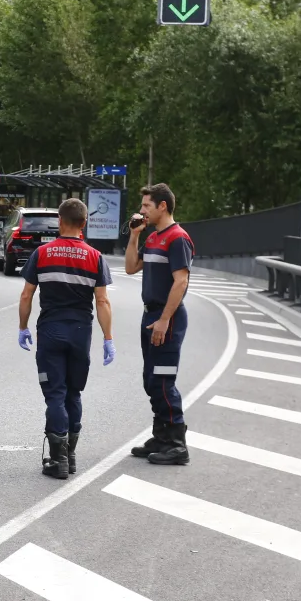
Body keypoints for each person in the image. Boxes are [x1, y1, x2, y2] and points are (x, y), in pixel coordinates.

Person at [18, 199, 115, 479]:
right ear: (84, 224)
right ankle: (70, 457)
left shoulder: (42, 253)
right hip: (80, 334)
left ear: (60, 221)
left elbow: (27, 295)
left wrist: (23, 327)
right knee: (74, 393)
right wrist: (108, 338)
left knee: (55, 395)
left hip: (50, 333)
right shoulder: (96, 257)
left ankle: (58, 460)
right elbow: (103, 301)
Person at [125, 183, 194, 465]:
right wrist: (134, 236)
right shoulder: (153, 237)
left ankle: (177, 444)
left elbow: (181, 280)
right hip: (150, 315)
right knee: (151, 379)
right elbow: (130, 267)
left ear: (162, 206)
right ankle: (161, 435)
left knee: (163, 379)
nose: (141, 211)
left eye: (146, 206)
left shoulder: (177, 238)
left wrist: (165, 320)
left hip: (168, 318)